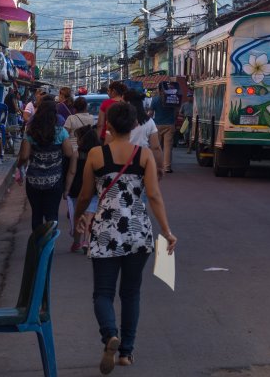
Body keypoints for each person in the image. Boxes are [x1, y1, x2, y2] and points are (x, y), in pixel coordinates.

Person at [74, 102, 177, 373]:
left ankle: (110, 335)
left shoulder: (96, 155)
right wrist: (166, 231)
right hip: (137, 233)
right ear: (134, 126)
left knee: (103, 294)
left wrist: (78, 218)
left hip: (105, 231)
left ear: (107, 126)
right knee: (131, 294)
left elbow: (85, 195)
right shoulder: (143, 156)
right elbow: (154, 196)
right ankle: (126, 353)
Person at [18, 100, 76, 231]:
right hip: (54, 181)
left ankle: (37, 247)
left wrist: (19, 166)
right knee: (52, 216)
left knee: (36, 215)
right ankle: (48, 249)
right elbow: (68, 153)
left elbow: (24, 156)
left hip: (33, 181)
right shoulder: (61, 132)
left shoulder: (31, 131)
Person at [68, 125, 100, 253]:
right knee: (90, 215)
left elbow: (72, 172)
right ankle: (87, 240)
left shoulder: (77, 154)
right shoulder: (99, 154)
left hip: (77, 188)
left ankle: (77, 242)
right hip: (94, 188)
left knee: (78, 215)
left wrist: (66, 189)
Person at [124, 91, 162, 170]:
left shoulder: (119, 120)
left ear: (127, 102)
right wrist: (159, 167)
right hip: (142, 161)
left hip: (121, 160)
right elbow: (155, 147)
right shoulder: (149, 122)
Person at [151, 82, 179, 174]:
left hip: (157, 125)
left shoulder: (155, 100)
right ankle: (167, 167)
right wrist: (173, 120)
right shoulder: (172, 99)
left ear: (159, 90)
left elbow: (151, 113)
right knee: (168, 147)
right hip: (170, 125)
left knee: (157, 147)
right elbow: (176, 112)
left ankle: (156, 166)